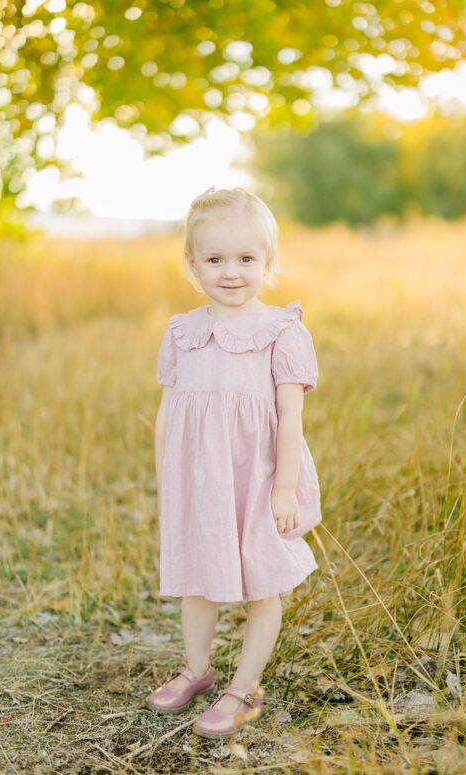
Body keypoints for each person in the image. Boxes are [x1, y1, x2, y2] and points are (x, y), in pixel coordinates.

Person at [144, 187, 321, 738]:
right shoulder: (183, 332)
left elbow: (289, 416)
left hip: (261, 477)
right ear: (192, 264)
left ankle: (243, 686)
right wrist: (164, 477)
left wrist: (285, 487)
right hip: (199, 480)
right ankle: (197, 669)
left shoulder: (282, 331)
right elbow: (168, 411)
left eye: (246, 258)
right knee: (197, 576)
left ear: (267, 261)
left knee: (261, 582)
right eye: (215, 259)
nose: (232, 271)